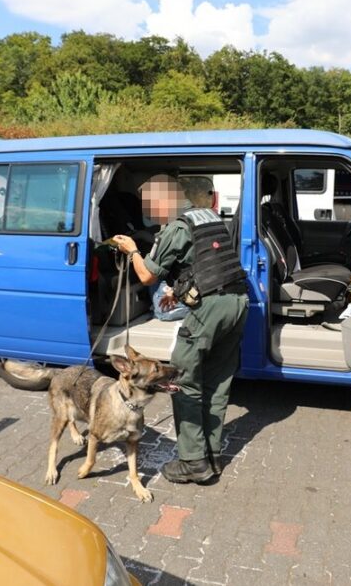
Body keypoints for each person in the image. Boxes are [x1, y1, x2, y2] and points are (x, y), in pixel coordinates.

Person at [110, 174, 249, 484]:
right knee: (216, 382)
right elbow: (209, 261)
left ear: (164, 200)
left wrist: (132, 250)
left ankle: (191, 462)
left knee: (181, 379)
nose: (149, 212)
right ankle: (211, 455)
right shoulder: (208, 217)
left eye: (150, 206)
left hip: (210, 310)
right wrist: (179, 289)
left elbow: (146, 276)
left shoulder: (175, 227)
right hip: (237, 302)